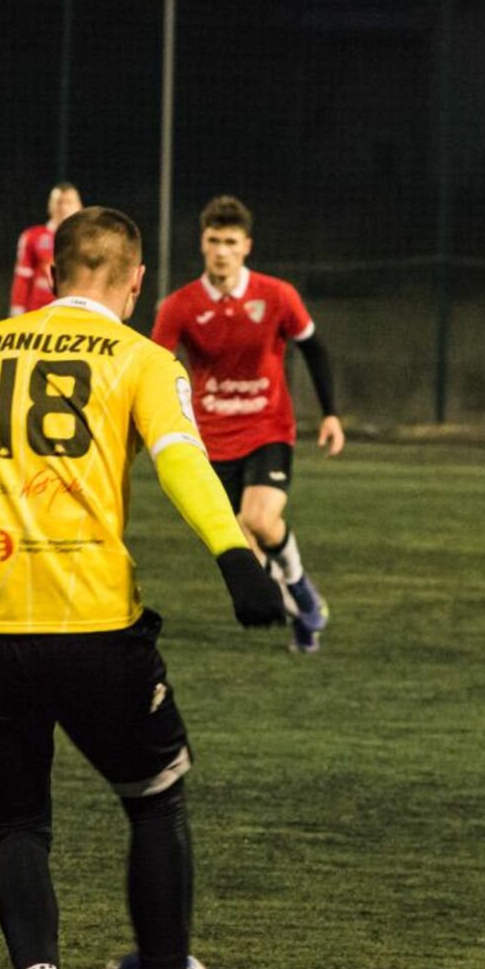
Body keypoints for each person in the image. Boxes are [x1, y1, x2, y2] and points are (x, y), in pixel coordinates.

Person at [0, 205, 282, 969]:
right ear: (136, 281)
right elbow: (181, 455)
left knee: (17, 827)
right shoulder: (142, 357)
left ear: (50, 276)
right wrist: (234, 556)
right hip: (93, 626)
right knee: (154, 799)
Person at [151, 194, 344, 654]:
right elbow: (154, 366)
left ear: (246, 247)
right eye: (214, 240)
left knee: (258, 519)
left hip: (267, 430)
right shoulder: (180, 305)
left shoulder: (277, 296)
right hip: (210, 442)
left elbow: (314, 349)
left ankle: (301, 592)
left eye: (230, 241)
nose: (221, 250)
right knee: (246, 551)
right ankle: (303, 613)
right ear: (202, 243)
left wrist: (331, 413)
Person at [8, 182, 83, 317]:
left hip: (73, 315)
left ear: (79, 206)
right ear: (50, 205)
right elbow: (22, 278)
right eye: (59, 202)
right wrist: (16, 312)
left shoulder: (89, 239)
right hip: (38, 313)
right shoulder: (33, 236)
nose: (64, 207)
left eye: (69, 202)